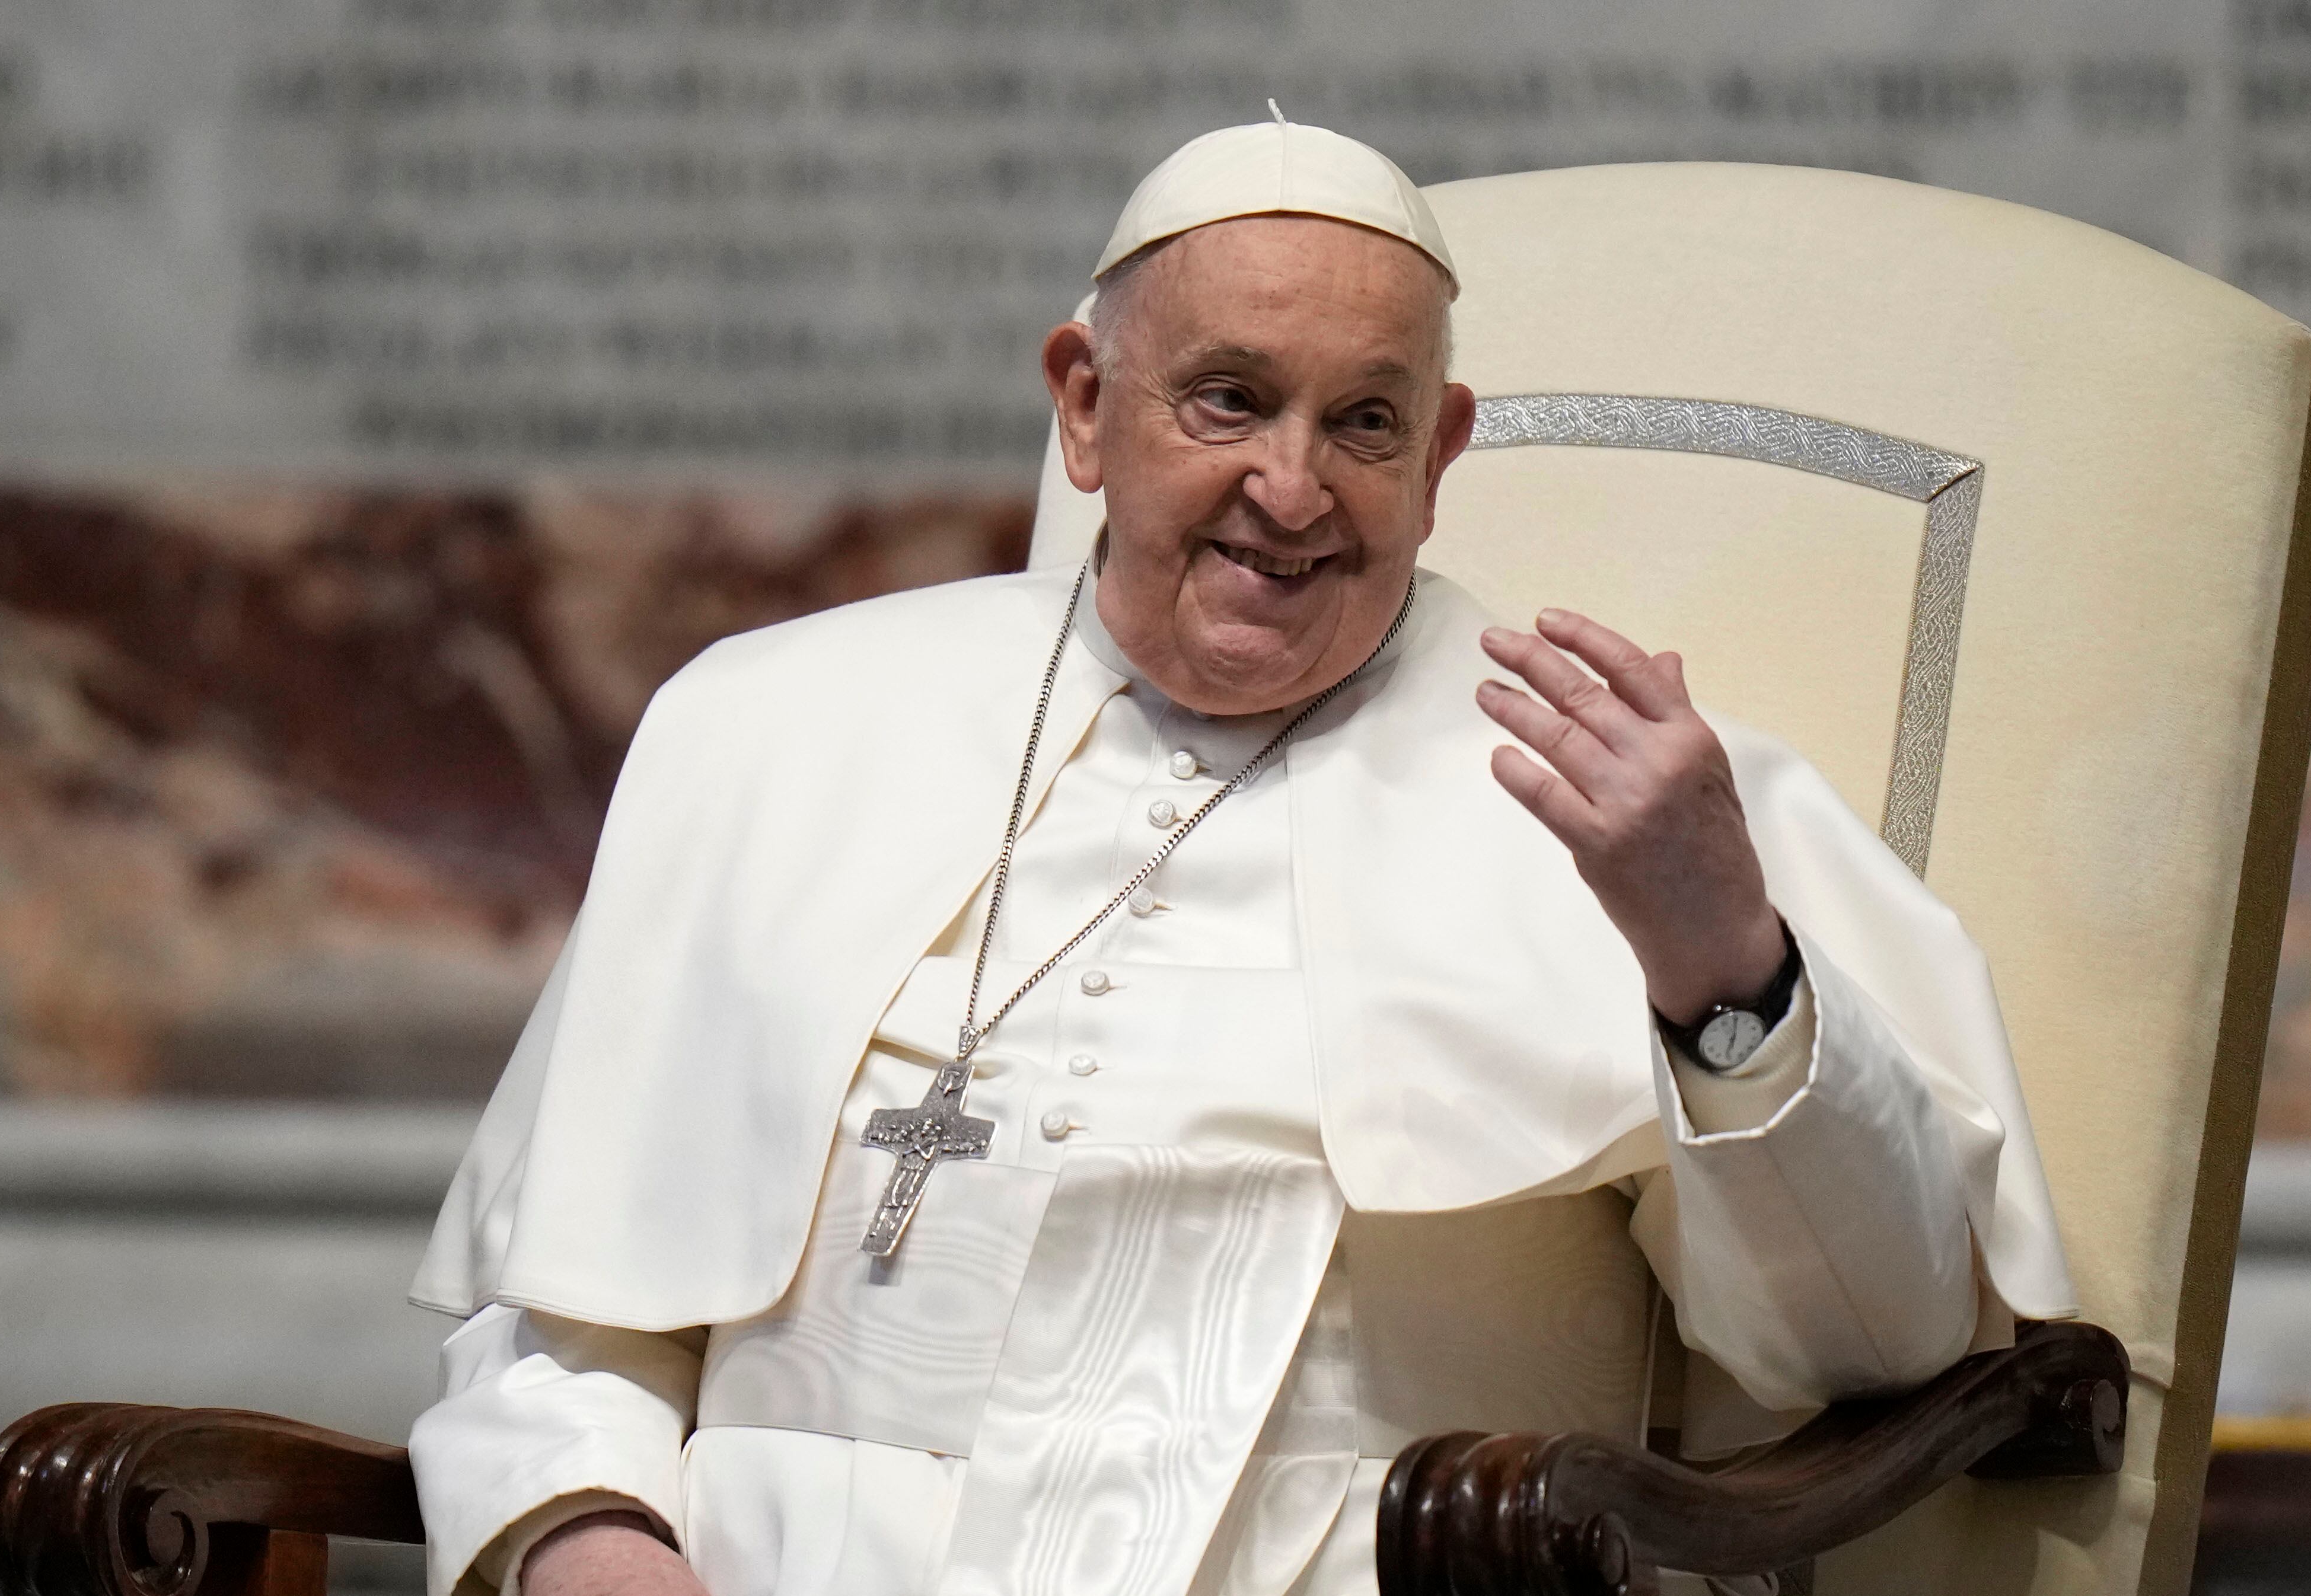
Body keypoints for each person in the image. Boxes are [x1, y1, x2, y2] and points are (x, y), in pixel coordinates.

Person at [406, 115, 2076, 1596]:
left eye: (1366, 423)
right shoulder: (767, 728)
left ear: (1440, 456)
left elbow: (1878, 1339)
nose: (1291, 487)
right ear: (1086, 406)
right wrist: (589, 1543)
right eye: (1230, 400)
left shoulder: (1641, 808)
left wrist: (1718, 961)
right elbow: (555, 1316)